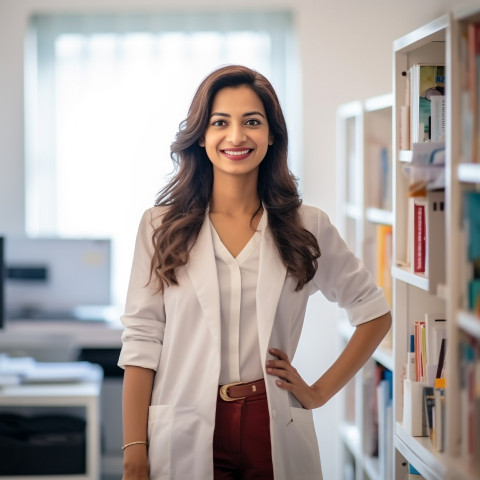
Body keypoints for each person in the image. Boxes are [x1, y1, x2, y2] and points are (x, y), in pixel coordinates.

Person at [118, 64, 392, 480]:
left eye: (252, 122)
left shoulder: (306, 225)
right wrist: (134, 447)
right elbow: (141, 340)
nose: (236, 136)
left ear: (271, 135)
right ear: (202, 136)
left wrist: (317, 392)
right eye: (220, 122)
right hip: (187, 422)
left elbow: (374, 313)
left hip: (272, 422)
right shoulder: (160, 227)